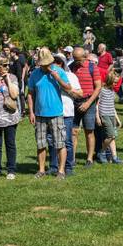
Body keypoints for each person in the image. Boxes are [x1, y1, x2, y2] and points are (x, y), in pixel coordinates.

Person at [27, 48, 73, 179]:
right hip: (40, 115)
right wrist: (31, 112)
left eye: (47, 64)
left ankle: (61, 171)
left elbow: (69, 88)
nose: (46, 66)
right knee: (40, 143)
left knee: (60, 143)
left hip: (56, 113)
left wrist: (58, 78)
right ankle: (41, 170)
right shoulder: (35, 74)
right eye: (43, 64)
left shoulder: (59, 71)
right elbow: (30, 94)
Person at [48, 54, 82, 175]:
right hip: (51, 112)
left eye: (58, 62)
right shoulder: (47, 75)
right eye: (53, 63)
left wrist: (65, 86)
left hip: (66, 112)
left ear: (62, 64)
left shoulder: (70, 76)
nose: (56, 65)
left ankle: (68, 166)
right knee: (51, 140)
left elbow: (80, 94)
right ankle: (53, 166)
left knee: (66, 140)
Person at [71, 47, 102, 167]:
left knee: (89, 131)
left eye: (77, 59)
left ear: (84, 57)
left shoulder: (92, 67)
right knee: (73, 131)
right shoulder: (72, 67)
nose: (75, 61)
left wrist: (88, 103)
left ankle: (89, 158)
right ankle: (72, 158)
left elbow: (98, 87)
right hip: (75, 102)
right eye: (74, 59)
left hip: (88, 102)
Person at [95, 69, 123, 164]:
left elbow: (112, 106)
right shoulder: (102, 90)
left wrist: (117, 118)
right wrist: (97, 117)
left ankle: (114, 156)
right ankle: (102, 152)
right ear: (110, 80)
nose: (116, 84)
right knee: (111, 135)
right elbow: (97, 105)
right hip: (104, 115)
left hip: (111, 115)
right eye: (114, 82)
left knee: (113, 137)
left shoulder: (112, 91)